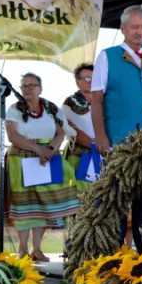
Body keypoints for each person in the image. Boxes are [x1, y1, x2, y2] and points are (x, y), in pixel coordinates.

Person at [90, 4, 142, 252]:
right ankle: (111, 261)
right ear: (123, 28)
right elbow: (96, 99)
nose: (139, 32)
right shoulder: (108, 56)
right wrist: (101, 137)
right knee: (115, 204)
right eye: (134, 27)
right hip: (118, 144)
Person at [5, 73, 79, 261]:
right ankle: (22, 249)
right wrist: (37, 148)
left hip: (47, 156)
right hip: (22, 158)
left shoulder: (51, 108)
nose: (28, 89)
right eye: (24, 86)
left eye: (32, 85)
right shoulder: (14, 109)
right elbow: (12, 136)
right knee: (25, 204)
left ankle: (36, 249)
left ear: (40, 88)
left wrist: (51, 148)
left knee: (42, 204)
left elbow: (60, 132)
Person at [62, 62, 95, 193]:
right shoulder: (70, 103)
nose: (90, 81)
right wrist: (96, 145)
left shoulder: (104, 102)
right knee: (80, 198)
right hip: (79, 156)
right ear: (77, 82)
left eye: (93, 78)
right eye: (87, 78)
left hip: (103, 155)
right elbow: (71, 130)